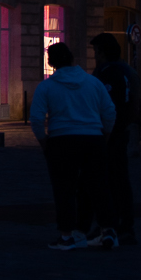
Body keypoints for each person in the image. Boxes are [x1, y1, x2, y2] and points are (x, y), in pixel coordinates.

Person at [28, 41, 116, 250]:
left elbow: (36, 118)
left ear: (51, 63)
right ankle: (107, 230)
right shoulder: (93, 82)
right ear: (71, 58)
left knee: (64, 189)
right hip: (93, 138)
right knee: (99, 186)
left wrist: (44, 142)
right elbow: (109, 111)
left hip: (61, 139)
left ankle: (66, 235)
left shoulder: (47, 86)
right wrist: (104, 135)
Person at [90, 33, 137, 247]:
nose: (94, 56)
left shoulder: (108, 73)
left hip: (110, 134)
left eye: (96, 51)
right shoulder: (124, 71)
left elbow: (109, 107)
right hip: (119, 131)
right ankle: (118, 225)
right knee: (118, 180)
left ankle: (112, 226)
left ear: (102, 52)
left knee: (109, 181)